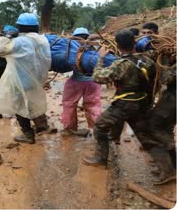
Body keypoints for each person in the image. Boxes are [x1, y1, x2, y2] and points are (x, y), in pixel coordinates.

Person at [82, 29, 175, 185]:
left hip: (125, 104)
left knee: (99, 127)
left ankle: (100, 158)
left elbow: (98, 77)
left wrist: (100, 59)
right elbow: (155, 80)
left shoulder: (121, 64)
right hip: (142, 103)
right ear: (134, 43)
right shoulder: (148, 61)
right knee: (145, 137)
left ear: (117, 45)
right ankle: (167, 171)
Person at [0, 13, 51, 144]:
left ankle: (28, 134)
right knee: (34, 101)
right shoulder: (43, 40)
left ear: (19, 27)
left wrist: (7, 36)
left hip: (20, 80)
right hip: (37, 78)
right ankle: (42, 124)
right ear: (36, 26)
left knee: (18, 106)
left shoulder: (19, 41)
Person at [142, 22, 176, 170]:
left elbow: (166, 79)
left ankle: (167, 163)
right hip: (171, 94)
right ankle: (172, 164)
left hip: (174, 95)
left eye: (149, 32)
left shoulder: (168, 54)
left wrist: (166, 60)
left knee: (152, 124)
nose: (146, 36)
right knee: (167, 127)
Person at [62, 28, 101, 137]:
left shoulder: (72, 49)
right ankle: (97, 129)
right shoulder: (96, 49)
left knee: (69, 104)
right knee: (93, 105)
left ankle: (70, 128)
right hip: (93, 82)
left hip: (75, 82)